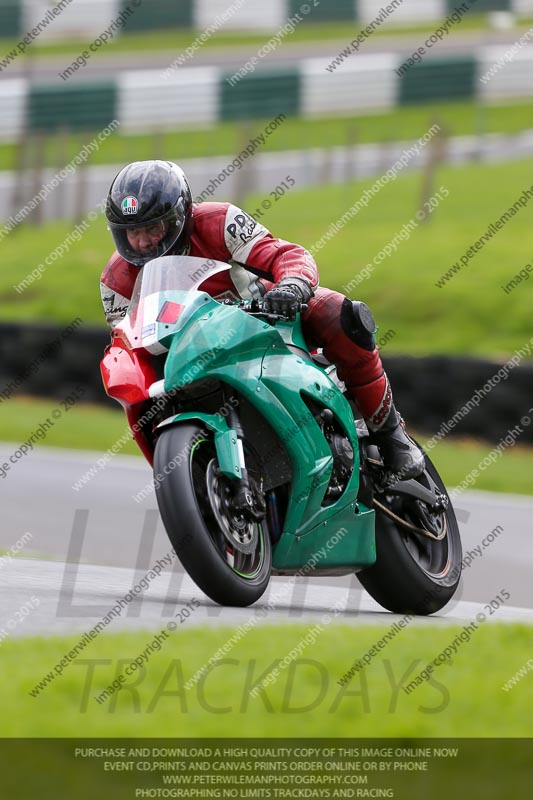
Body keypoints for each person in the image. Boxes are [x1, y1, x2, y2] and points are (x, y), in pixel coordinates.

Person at [101, 160, 424, 480]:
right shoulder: (115, 280)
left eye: (152, 228)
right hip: (189, 354)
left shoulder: (219, 221)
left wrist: (292, 283)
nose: (143, 241)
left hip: (265, 322)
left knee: (340, 313)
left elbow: (284, 254)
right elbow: (126, 339)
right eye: (133, 233)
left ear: (180, 217)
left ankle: (390, 435)